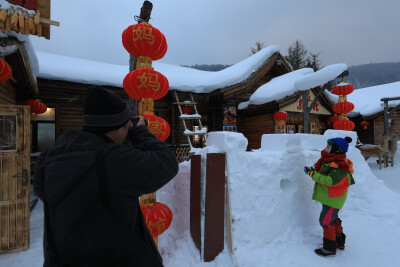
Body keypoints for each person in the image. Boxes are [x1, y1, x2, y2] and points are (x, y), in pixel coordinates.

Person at [34, 86, 179, 267]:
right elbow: (167, 163)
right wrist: (141, 132)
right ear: (118, 129)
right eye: (127, 124)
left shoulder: (52, 159)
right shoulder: (111, 161)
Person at [304, 136, 355, 257]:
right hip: (330, 197)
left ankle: (329, 248)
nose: (325, 148)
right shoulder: (328, 160)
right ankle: (339, 241)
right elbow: (321, 167)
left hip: (333, 199)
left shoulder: (340, 166)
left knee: (326, 221)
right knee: (332, 219)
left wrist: (313, 174)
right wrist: (313, 169)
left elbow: (330, 181)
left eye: (328, 146)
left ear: (336, 150)